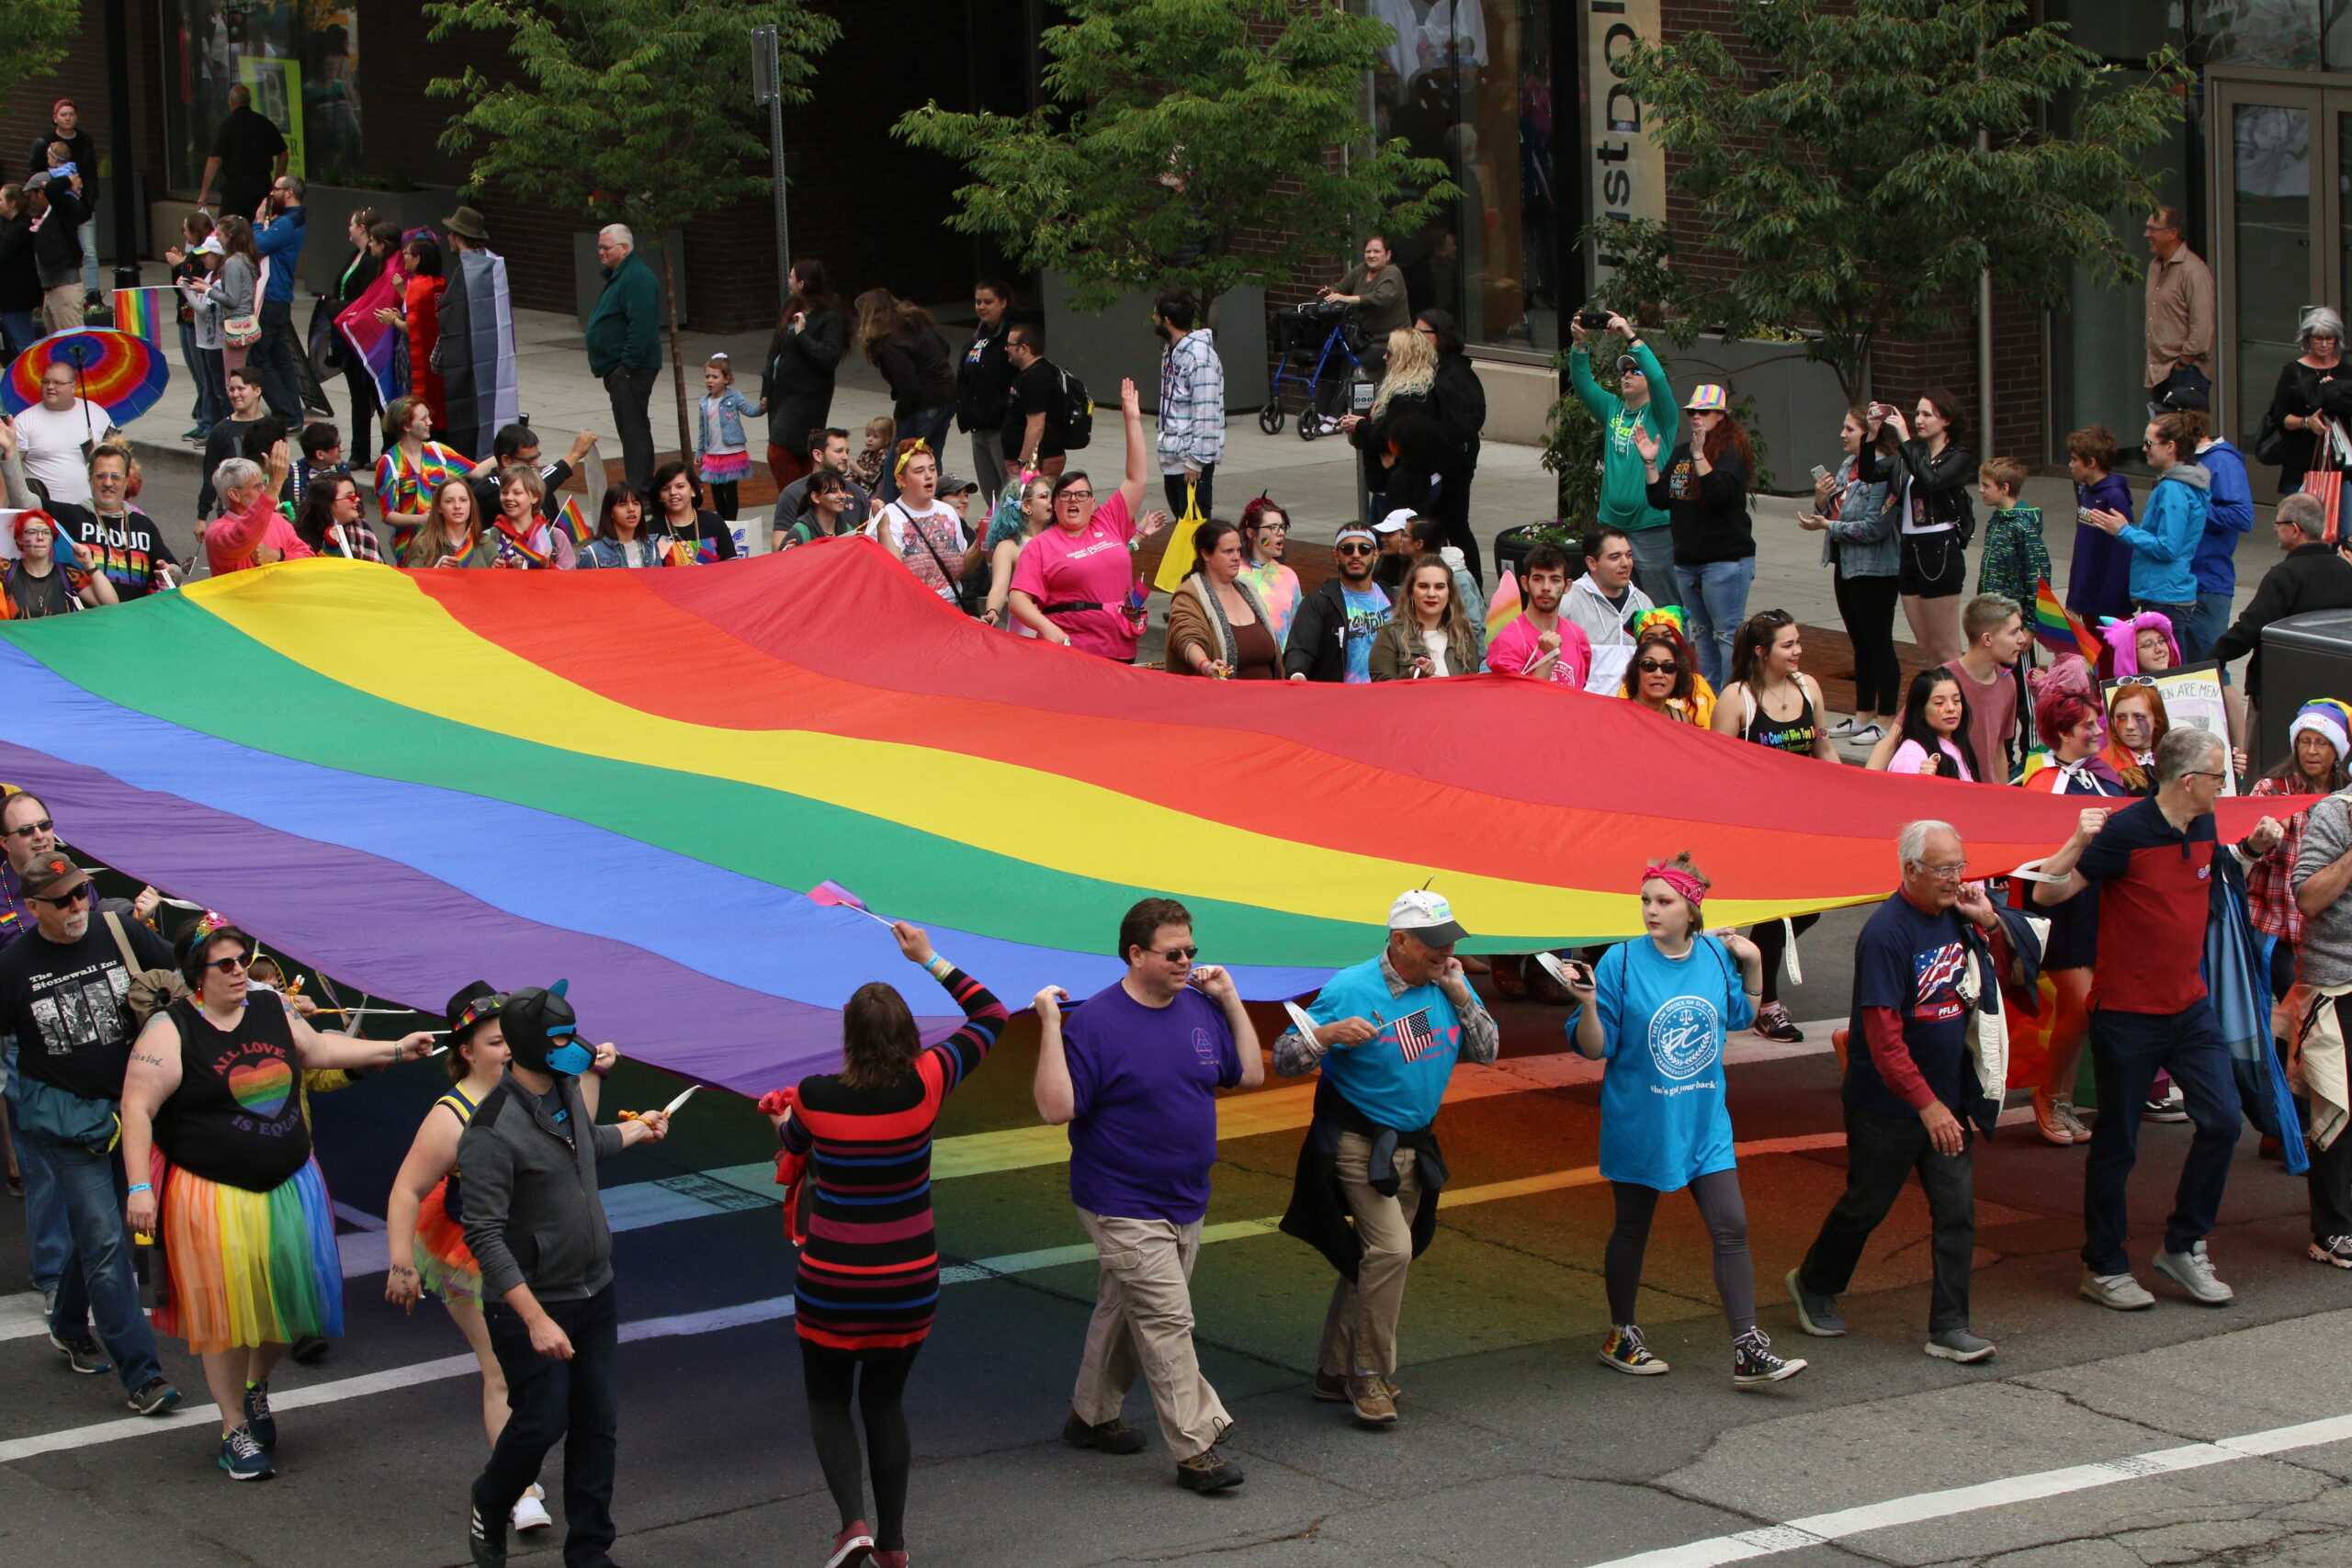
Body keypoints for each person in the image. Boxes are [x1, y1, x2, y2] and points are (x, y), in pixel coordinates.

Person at [120, 919, 435, 1479]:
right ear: (198, 976)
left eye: (242, 958)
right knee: (226, 1315)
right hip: (211, 1195)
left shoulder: (269, 1006)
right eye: (226, 964)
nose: (240, 969)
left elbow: (316, 1049)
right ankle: (233, 1429)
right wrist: (140, 1187)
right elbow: (137, 1107)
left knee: (293, 1304)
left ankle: (255, 1385)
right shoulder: (170, 1031)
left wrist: (393, 1048)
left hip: (291, 1183)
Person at [769, 923, 1005, 1568]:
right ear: (908, 1036)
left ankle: (852, 1523)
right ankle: (895, 1543)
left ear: (848, 1037)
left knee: (827, 1396)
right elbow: (990, 1011)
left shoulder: (816, 1096)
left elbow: (792, 1148)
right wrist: (927, 956)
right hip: (909, 1281)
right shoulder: (929, 1081)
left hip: (832, 1280)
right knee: (884, 1400)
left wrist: (782, 1123)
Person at [2032, 730, 2285, 1310]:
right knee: (2118, 1143)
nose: (2227, 786)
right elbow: (2051, 895)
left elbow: (2209, 874)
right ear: (2189, 781)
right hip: (2127, 1014)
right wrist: (2074, 840)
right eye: (2220, 777)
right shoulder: (2124, 831)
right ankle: (2104, 1266)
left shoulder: (2202, 825)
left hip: (2190, 1008)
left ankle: (2184, 1245)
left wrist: (2250, 851)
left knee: (2223, 1122)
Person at [1789, 820, 2038, 1362]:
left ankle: (1949, 1325)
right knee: (1867, 1205)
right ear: (1910, 871)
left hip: (1945, 1098)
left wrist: (1987, 920)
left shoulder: (1958, 915)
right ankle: (1813, 1281)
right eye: (1945, 870)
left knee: (1957, 1211)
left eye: (1960, 867)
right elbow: (1881, 1036)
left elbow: (2008, 970)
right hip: (1887, 1104)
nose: (1956, 880)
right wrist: (1925, 1105)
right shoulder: (1886, 933)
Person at [1034, 897, 1260, 1491]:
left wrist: (1231, 999)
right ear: (1136, 954)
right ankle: (1197, 1444)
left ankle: (1091, 1414)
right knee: (1166, 1318)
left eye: (1192, 950)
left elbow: (1251, 1074)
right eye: (1172, 953)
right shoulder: (1095, 1022)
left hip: (1186, 1196)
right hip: (1120, 1198)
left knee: (1126, 1309)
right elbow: (1056, 1107)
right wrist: (1050, 1028)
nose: (1187, 961)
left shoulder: (1199, 1009)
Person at [1564, 856, 1805, 1384]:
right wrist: (1586, 1005)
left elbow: (1741, 1017)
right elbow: (1595, 1048)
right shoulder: (1620, 963)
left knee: (1732, 1228)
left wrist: (1754, 962)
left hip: (1703, 1122)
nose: (1651, 910)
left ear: (1691, 909)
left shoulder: (1717, 957)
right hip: (1641, 1121)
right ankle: (1621, 1333)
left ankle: (1747, 1347)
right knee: (1632, 1227)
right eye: (1646, 900)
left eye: (1664, 901)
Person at [450, 981, 669, 1564]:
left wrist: (640, 1128)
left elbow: (584, 1145)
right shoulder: (491, 1131)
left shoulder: (568, 1089)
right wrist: (537, 1319)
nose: (576, 1046)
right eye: (561, 1037)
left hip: (594, 1288)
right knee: (541, 1421)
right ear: (526, 1046)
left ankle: (590, 1553)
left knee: (597, 1426)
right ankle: (491, 1498)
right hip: (532, 1304)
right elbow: (485, 1236)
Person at [1272, 890, 1499, 1426]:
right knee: (1392, 1251)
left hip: (1414, 1147)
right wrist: (1325, 1036)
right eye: (1436, 944)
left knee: (1375, 1262)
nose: (1447, 953)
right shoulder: (1352, 988)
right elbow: (1284, 1058)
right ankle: (1368, 1376)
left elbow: (1488, 1051)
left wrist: (1462, 993)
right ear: (1401, 941)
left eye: (1452, 942)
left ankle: (1332, 1371)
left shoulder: (1447, 984)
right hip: (1358, 1145)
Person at [0, 852, 183, 1417]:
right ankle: (143, 1376)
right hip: (67, 1124)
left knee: (96, 1233)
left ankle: (66, 1324)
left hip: (133, 1114)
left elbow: (182, 980)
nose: (77, 905)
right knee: (107, 1241)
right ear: (33, 908)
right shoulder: (13, 966)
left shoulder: (118, 928)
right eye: (62, 900)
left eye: (81, 892)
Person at [384, 985, 565, 1537]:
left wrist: (597, 1076)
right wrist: (401, 1264)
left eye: (513, 1038)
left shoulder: (538, 1085)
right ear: (466, 1050)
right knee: (502, 1372)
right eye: (495, 1042)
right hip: (472, 1252)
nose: (509, 1049)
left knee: (549, 1374)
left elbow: (575, 1139)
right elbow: (407, 1191)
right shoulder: (451, 1116)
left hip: (540, 1246)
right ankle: (519, 1490)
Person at [1713, 608, 1835, 1041]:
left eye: (1798, 641)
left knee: (1808, 909)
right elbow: (1719, 769)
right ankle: (1767, 1004)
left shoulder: (1809, 688)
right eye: (1789, 645)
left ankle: (1746, 960)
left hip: (1806, 823)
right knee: (1777, 914)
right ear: (1762, 652)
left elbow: (1823, 749)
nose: (1799, 651)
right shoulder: (1736, 699)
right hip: (1759, 828)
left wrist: (1852, 796)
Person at [2019, 686, 2132, 1147]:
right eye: (2089, 725)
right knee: (2082, 1006)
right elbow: (2036, 866)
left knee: (2086, 1008)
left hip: (2102, 904)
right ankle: (2049, 1094)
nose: (2098, 730)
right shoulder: (2041, 784)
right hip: (2058, 908)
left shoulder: (2106, 774)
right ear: (2063, 732)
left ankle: (2059, 1093)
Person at [1009, 380, 1167, 658]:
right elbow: (1019, 599)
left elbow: (1137, 478)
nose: (1073, 501)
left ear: (1094, 503)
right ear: (1054, 505)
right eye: (1066, 495)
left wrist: (1132, 420)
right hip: (1074, 650)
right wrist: (1047, 628)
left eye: (1082, 495)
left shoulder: (1107, 521)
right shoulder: (1041, 546)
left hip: (1120, 644)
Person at [1640, 385, 1755, 689]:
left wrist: (1700, 457)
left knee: (1726, 635)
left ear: (1720, 416)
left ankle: (1733, 702)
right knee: (1701, 634)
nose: (1696, 417)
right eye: (1692, 412)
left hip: (1724, 561)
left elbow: (1721, 495)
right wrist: (1650, 463)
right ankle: (1707, 701)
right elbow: (1661, 498)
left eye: (1704, 412)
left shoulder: (1731, 453)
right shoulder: (1681, 452)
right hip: (1688, 561)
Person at [1801, 407, 1901, 742]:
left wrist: (1829, 524)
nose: (1842, 434)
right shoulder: (1847, 466)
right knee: (1859, 643)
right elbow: (1832, 510)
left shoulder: (1886, 470)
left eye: (1849, 429)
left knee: (1878, 642)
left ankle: (1886, 718)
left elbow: (1875, 526)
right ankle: (1863, 715)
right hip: (1845, 563)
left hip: (1876, 568)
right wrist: (1820, 501)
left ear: (1868, 433)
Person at [2244, 702, 2352, 1010]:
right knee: (2273, 1016)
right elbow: (2241, 859)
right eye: (2305, 741)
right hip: (2271, 927)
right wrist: (2263, 840)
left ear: (2338, 751)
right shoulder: (2272, 789)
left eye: (2321, 743)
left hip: (2320, 935)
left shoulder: (2346, 797)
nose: (2312, 751)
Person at [2212, 493, 2352, 724]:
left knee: (2265, 756)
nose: (2275, 529)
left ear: (2294, 529)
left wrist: (2213, 658)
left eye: (2278, 524)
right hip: (2334, 691)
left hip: (2279, 688)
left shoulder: (2284, 575)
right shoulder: (2345, 571)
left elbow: (2249, 629)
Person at [2290, 751, 2352, 1266]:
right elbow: (2307, 898)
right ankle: (2333, 1230)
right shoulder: (2335, 813)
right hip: (2339, 982)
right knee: (2338, 1107)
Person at [1570, 312, 1679, 607]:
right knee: (1613, 603)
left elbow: (1657, 376)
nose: (1627, 375)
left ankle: (1672, 651)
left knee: (1662, 605)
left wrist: (1630, 337)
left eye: (1635, 371)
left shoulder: (1662, 414)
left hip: (1653, 527)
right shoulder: (1613, 408)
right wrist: (1580, 345)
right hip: (1611, 526)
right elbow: (1584, 385)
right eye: (1624, 371)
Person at [1864, 390, 1974, 668]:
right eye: (1917, 414)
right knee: (1926, 646)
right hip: (1909, 547)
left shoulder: (1957, 456)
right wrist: (1872, 435)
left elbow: (1931, 482)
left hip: (1939, 546)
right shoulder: (1911, 454)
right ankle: (1939, 703)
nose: (1918, 419)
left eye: (1927, 414)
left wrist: (1904, 438)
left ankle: (1960, 705)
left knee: (1946, 648)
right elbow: (1868, 472)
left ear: (1946, 420)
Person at [2084, 412, 2208, 659]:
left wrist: (2124, 530)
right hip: (2167, 593)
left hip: (2166, 596)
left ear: (2170, 447)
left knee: (2166, 676)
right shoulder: (2178, 484)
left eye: (2149, 443)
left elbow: (2168, 547)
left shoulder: (2173, 488)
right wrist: (2126, 529)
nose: (2143, 449)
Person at [855, 288, 955, 505]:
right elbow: (944, 347)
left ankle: (896, 511)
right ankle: (931, 504)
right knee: (931, 458)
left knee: (899, 462)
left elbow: (909, 388)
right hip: (946, 396)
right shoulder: (915, 325)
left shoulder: (891, 342)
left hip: (922, 403)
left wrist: (898, 418)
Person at [42, 443, 178, 599]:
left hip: (133, 619)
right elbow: (24, 500)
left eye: (116, 476)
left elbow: (174, 569)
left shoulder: (144, 525)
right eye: (101, 475)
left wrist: (170, 572)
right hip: (86, 619)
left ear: (126, 480)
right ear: (90, 478)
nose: (108, 483)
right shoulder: (72, 515)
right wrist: (10, 455)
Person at [585, 225, 661, 494]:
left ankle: (639, 489)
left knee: (634, 431)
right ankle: (639, 486)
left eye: (606, 247)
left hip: (631, 370)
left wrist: (626, 367)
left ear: (625, 248)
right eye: (600, 247)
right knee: (631, 430)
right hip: (622, 368)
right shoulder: (623, 276)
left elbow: (641, 326)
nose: (601, 252)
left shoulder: (636, 277)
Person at [1338, 326, 1442, 521]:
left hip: (1401, 489)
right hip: (1391, 485)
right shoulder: (1408, 389)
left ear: (1405, 357)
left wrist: (1360, 426)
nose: (1385, 357)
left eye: (1390, 353)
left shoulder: (1410, 396)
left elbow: (1390, 436)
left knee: (1389, 543)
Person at [761, 259, 846, 488]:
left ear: (802, 282)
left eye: (791, 277)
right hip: (782, 393)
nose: (788, 281)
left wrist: (802, 335)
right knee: (800, 454)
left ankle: (795, 498)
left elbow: (829, 358)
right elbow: (774, 350)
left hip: (808, 397)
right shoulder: (790, 305)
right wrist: (766, 388)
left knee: (779, 450)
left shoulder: (831, 317)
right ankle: (804, 501)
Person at [1930, 593, 2029, 785]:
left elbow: (1999, 749)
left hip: (1987, 794)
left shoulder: (2007, 682)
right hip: (1949, 791)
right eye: (2014, 632)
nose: (2022, 639)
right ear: (1987, 639)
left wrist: (2002, 796)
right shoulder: (1941, 680)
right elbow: (1894, 738)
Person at [1166, 518, 1280, 679]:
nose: (1236, 557)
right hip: (1223, 699)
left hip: (1267, 698)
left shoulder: (1249, 590)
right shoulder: (1190, 595)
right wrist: (1205, 665)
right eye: (1228, 551)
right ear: (1206, 554)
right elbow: (1186, 638)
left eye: (1238, 550)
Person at [1421, 310, 1487, 585]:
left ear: (1439, 336)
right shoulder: (1439, 369)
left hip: (1453, 466)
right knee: (1445, 526)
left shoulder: (1456, 374)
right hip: (1445, 462)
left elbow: (1468, 420)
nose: (1417, 339)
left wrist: (1451, 448)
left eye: (1421, 333)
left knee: (1456, 526)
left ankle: (1472, 586)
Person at [2185, 408, 2255, 663]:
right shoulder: (2186, 460)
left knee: (2210, 672)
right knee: (2182, 670)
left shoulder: (2222, 461)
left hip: (2207, 583)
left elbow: (2241, 517)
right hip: (2182, 581)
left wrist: (2192, 504)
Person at [2264, 306, 2351, 500]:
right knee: (2301, 523)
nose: (2324, 344)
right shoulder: (2294, 371)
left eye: (2330, 338)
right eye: (2318, 338)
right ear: (2307, 339)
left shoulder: (2346, 372)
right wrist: (2306, 422)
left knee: (2343, 527)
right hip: (2301, 462)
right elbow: (2281, 417)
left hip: (2340, 463)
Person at [1153, 290, 1226, 519]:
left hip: (1190, 465)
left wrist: (1196, 461)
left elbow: (1206, 411)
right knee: (1183, 533)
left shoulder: (1199, 357)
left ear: (1167, 320)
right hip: (1173, 460)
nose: (1153, 319)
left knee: (1196, 535)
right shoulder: (1172, 351)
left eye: (1156, 315)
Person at [1285, 527, 1390, 683]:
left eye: (1364, 549)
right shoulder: (1319, 601)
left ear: (1375, 555)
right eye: (1347, 549)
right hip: (1341, 701)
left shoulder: (1394, 597)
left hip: (1390, 697)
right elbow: (1300, 648)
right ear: (1336, 555)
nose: (1356, 554)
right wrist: (1297, 673)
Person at [1486, 542, 1594, 689]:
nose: (1546, 588)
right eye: (1538, 579)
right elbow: (1512, 702)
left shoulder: (1577, 636)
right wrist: (1549, 659)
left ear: (1567, 586)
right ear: (1525, 583)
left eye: (1555, 580)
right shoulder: (1509, 640)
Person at [866, 445, 966, 604]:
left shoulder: (948, 511)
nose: (929, 476)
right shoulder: (889, 516)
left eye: (932, 469)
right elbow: (894, 575)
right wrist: (883, 528)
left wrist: (981, 543)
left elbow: (960, 568)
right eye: (919, 471)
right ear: (901, 480)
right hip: (912, 609)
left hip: (952, 607)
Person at [331, 210, 392, 466]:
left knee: (376, 396)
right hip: (347, 334)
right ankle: (359, 452)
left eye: (351, 224)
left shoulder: (371, 262)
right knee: (358, 395)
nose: (349, 229)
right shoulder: (355, 256)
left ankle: (388, 449)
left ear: (362, 228)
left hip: (365, 336)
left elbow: (366, 299)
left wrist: (342, 307)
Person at [1564, 525, 1656, 691]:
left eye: (1629, 555)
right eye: (1615, 557)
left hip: (1633, 710)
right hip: (1587, 710)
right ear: (1592, 563)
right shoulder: (1568, 601)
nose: (1626, 563)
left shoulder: (1643, 603)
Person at [2143, 208, 2214, 412]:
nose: (2146, 234)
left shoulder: (2193, 270)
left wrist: (2183, 363)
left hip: (2184, 373)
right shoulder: (2154, 267)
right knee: (2163, 440)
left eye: (2152, 229)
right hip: (2157, 372)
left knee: (2184, 440)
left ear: (2173, 233)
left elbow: (2202, 328)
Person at [249, 175, 308, 420]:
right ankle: (292, 412)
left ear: (289, 192)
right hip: (280, 295)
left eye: (276, 190)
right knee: (280, 356)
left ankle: (285, 412)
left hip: (272, 296)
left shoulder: (286, 223)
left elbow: (255, 246)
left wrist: (256, 223)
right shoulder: (292, 220)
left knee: (260, 355)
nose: (271, 195)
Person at [14, 359, 112, 507]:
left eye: (57, 383)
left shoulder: (96, 413)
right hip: (47, 514)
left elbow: (120, 456)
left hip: (92, 511)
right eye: (46, 382)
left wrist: (103, 452)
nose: (50, 387)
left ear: (73, 387)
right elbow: (9, 466)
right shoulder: (24, 420)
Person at [2064, 425, 2136, 626]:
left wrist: (2108, 605)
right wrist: (2075, 599)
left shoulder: (2113, 497)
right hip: (2088, 597)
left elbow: (2120, 554)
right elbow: (2084, 551)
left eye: (2074, 459)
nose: (2070, 465)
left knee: (2109, 656)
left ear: (2091, 462)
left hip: (2106, 605)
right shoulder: (2087, 492)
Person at [27, 100, 96, 303]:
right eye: (63, 114)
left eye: (71, 114)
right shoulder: (44, 142)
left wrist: (89, 201)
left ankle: (92, 294)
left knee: (89, 250)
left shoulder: (84, 140)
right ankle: (54, 288)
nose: (68, 118)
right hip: (55, 205)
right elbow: (37, 175)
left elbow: (91, 173)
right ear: (54, 117)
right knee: (60, 248)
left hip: (80, 202)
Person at [1370, 555, 1481, 680]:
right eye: (1423, 586)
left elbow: (1473, 686)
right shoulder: (1390, 634)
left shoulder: (1463, 633)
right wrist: (1412, 675)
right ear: (1411, 592)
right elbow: (1381, 690)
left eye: (1439, 587)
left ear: (1450, 593)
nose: (1431, 594)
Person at [466, 423, 599, 526]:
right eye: (528, 460)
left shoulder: (541, 489)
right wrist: (574, 455)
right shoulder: (488, 489)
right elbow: (536, 485)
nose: (534, 464)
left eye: (536, 457)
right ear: (506, 460)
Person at [169, 216, 230, 442]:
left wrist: (187, 289)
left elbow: (204, 310)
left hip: (213, 340)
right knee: (207, 382)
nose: (202, 260)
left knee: (216, 386)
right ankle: (207, 424)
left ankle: (216, 428)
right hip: (203, 337)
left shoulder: (218, 280)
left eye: (207, 256)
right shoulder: (208, 275)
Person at [195, 83, 288, 228]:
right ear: (248, 101)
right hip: (261, 185)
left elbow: (215, 159)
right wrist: (276, 181)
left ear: (231, 102)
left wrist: (204, 192)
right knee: (262, 227)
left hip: (235, 189)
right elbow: (283, 153)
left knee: (229, 231)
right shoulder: (264, 123)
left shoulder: (227, 126)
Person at [957, 278, 1015, 503]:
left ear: (1003, 302)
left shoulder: (1010, 336)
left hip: (1000, 426)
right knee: (990, 492)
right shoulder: (978, 335)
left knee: (1009, 490)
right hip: (977, 424)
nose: (981, 307)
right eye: (978, 302)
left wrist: (1001, 410)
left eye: (988, 302)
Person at [1, 510, 116, 617]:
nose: (40, 537)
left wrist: (89, 564)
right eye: (32, 532)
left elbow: (112, 606)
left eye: (46, 532)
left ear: (53, 538)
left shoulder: (68, 574)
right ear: (20, 538)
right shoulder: (5, 569)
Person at [1320, 234, 1411, 362]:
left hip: (1391, 343)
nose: (1371, 255)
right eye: (1368, 251)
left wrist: (1347, 299)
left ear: (1388, 255)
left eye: (1377, 251)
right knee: (1329, 359)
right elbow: (1341, 287)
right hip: (1363, 340)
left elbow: (1381, 298)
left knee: (1353, 366)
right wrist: (1329, 292)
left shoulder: (1392, 272)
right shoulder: (1361, 270)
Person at [694, 354, 763, 521]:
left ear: (726, 379)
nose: (710, 380)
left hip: (731, 450)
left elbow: (750, 410)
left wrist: (762, 407)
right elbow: (703, 429)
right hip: (713, 451)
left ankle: (732, 521)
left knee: (730, 490)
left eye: (715, 377)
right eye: (707, 376)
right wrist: (700, 451)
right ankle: (722, 520)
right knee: (716, 490)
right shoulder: (704, 402)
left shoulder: (734, 397)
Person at [1879, 668, 1980, 781]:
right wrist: (1924, 783)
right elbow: (1904, 797)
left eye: (1956, 700)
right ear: (1920, 710)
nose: (1951, 708)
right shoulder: (1911, 756)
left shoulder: (1959, 746)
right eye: (1939, 703)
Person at [1974, 458, 2049, 607]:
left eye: (1986, 485)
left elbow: (2037, 576)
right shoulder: (1996, 520)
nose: (1980, 489)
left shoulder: (2023, 526)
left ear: (2005, 488)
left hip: (2013, 612)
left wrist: (2030, 624)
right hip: (1993, 609)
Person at [772, 427, 872, 535]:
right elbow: (780, 544)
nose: (845, 457)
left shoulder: (856, 492)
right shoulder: (793, 494)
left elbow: (867, 538)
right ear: (818, 455)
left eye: (847, 452)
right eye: (838, 451)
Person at [1620, 615, 1714, 727]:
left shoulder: (1682, 719)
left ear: (1677, 675)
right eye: (1649, 665)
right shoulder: (1618, 714)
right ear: (1636, 671)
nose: (1659, 674)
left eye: (1668, 667)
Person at [23, 171, 87, 335]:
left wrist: (67, 181)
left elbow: (53, 189)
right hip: (50, 289)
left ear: (41, 192)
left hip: (65, 288)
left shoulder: (62, 209)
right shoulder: (44, 216)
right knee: (55, 344)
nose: (30, 202)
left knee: (73, 343)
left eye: (31, 196)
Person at [1001, 323, 1069, 478]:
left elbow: (1036, 426)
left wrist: (1024, 464)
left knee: (1031, 501)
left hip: (1040, 460)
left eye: (1009, 345)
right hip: (1035, 460)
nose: (1006, 349)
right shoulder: (1030, 373)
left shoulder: (1037, 377)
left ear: (1024, 348)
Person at [1236, 496, 1303, 649]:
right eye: (1273, 527)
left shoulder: (1288, 576)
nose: (1280, 533)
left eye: (1282, 526)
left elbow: (1297, 627)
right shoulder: (1235, 573)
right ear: (1251, 533)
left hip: (1281, 666)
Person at [488, 464, 578, 570]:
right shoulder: (488, 537)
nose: (509, 497)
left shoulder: (555, 536)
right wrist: (508, 565)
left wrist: (547, 566)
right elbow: (477, 578)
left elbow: (570, 580)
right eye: (504, 492)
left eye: (517, 493)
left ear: (535, 497)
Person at [401, 476, 494, 570]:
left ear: (471, 503)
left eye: (463, 500)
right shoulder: (423, 544)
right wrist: (437, 571)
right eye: (449, 501)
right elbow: (411, 581)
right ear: (439, 507)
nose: (457, 506)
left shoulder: (486, 543)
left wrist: (501, 568)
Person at [211, 214, 261, 380]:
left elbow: (232, 300)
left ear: (230, 235)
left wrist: (207, 290)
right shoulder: (245, 259)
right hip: (244, 323)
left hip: (236, 325)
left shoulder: (233, 262)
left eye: (219, 234)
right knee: (237, 377)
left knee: (233, 380)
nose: (217, 238)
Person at [292, 471, 381, 562]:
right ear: (326, 503)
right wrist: (329, 549)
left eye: (356, 494)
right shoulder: (300, 538)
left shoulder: (362, 527)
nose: (357, 499)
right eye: (349, 496)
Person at [2099, 681, 2169, 796]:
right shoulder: (2103, 767)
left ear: (2157, 720)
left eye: (2139, 717)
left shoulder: (2175, 759)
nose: (2129, 726)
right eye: (2121, 717)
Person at [0, 182, 45, 357]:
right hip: (20, 294)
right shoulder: (22, 225)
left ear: (12, 203)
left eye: (1, 199)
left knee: (24, 345)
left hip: (15, 297)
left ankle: (36, 378)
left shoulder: (18, 230)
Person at [576, 483, 663, 570]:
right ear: (610, 512)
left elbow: (659, 582)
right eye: (622, 505)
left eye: (636, 503)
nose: (631, 509)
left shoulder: (650, 546)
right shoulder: (593, 553)